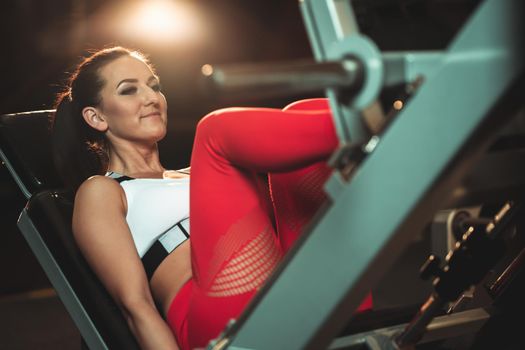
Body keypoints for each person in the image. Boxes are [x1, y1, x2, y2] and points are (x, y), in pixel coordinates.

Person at [51, 47, 371, 350]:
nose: (151, 98)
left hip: (288, 287)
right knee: (213, 132)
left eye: (154, 86)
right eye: (129, 90)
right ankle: (379, 117)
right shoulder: (103, 190)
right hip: (217, 321)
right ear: (96, 118)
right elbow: (136, 306)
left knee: (301, 112)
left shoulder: (201, 173)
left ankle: (377, 124)